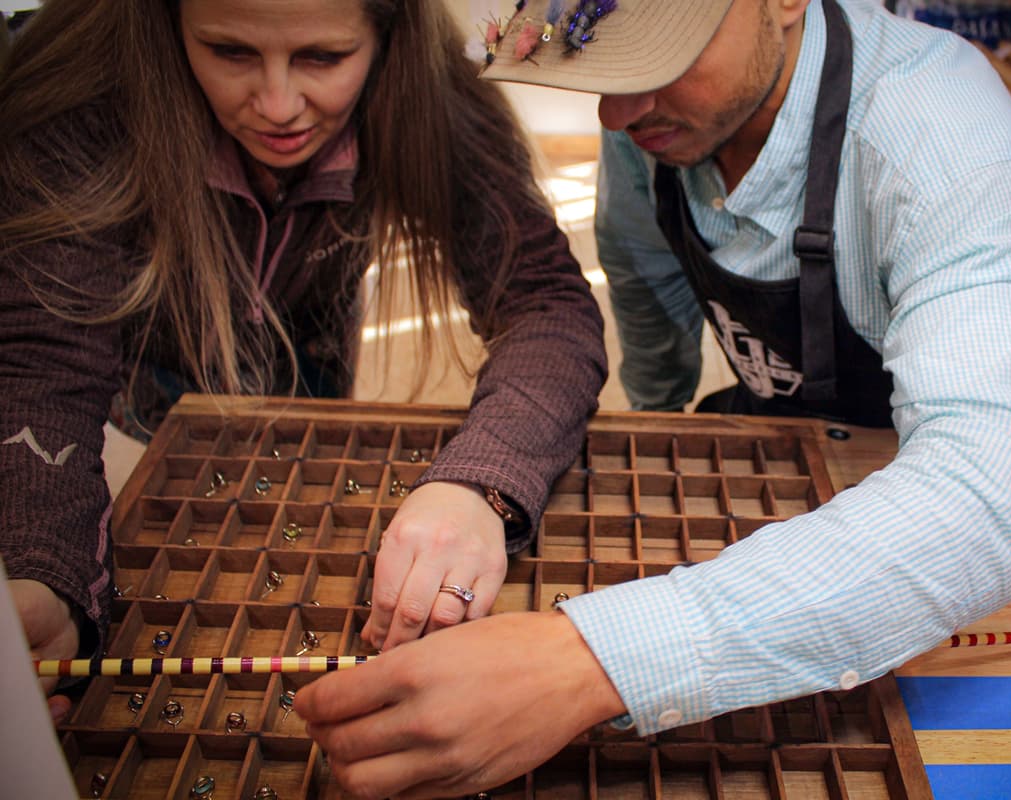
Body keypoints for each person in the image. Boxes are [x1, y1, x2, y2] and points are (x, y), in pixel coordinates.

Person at [296, 0, 1011, 798]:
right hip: (780, 449)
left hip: (916, 514)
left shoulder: (944, 134)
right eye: (605, 66)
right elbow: (648, 298)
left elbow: (1004, 480)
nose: (617, 115)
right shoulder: (656, 124)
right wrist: (656, 440)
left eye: (662, 58)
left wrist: (590, 662)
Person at [0, 0, 606, 721]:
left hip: (311, 348)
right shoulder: (78, 102)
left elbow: (547, 304)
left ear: (388, 37)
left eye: (322, 57)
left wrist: (482, 483)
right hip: (146, 369)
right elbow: (41, 368)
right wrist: (46, 573)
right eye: (230, 52)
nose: (278, 105)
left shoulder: (436, 102)